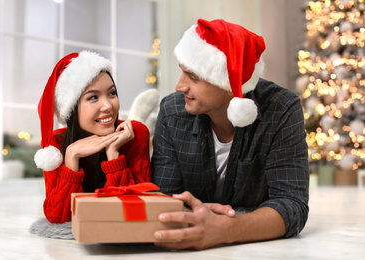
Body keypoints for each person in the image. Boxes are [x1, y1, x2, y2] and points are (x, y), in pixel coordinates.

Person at [151, 19, 309, 250]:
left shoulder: (281, 109)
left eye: (193, 77)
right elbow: (164, 199)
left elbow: (292, 206)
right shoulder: (173, 111)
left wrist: (225, 229)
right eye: (182, 73)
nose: (180, 86)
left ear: (227, 84)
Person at [34, 51, 151, 224]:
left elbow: (133, 212)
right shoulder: (56, 144)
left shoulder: (134, 134)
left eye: (112, 93)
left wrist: (113, 155)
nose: (108, 105)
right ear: (72, 109)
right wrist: (71, 156)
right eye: (93, 97)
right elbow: (57, 217)